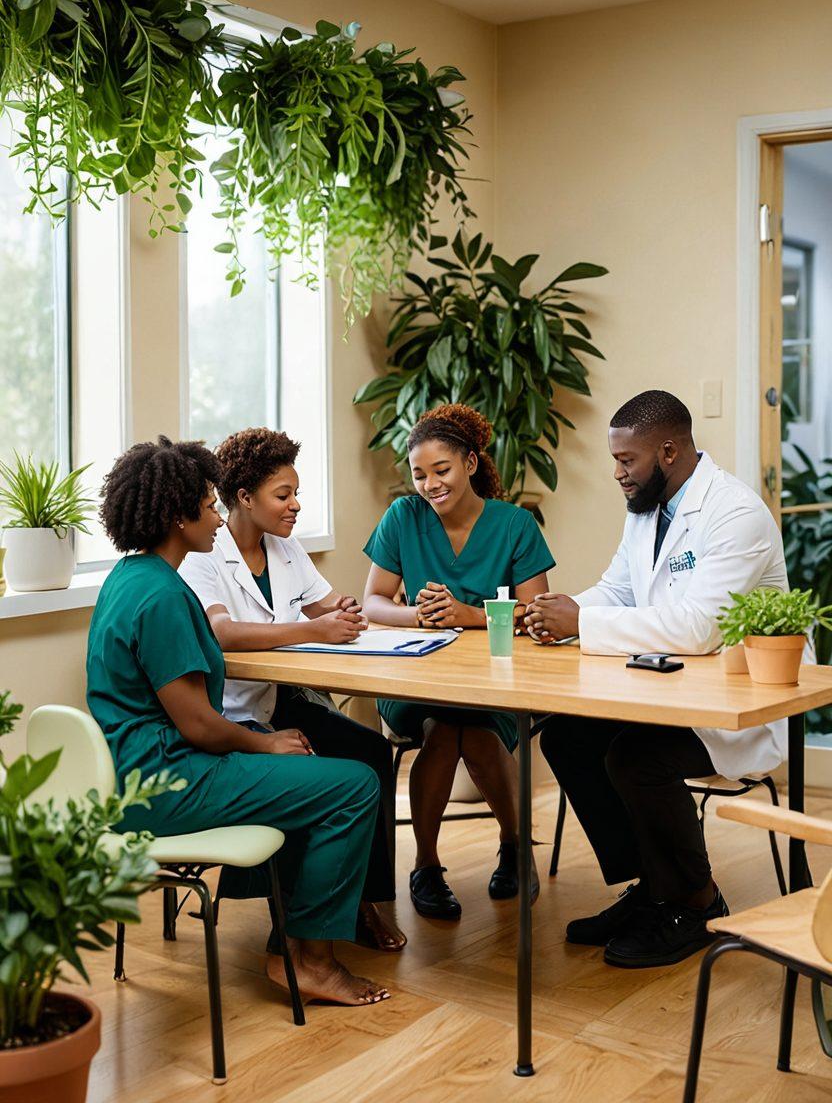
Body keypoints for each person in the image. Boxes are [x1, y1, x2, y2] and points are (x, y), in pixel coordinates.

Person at [87, 436, 390, 1006]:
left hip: (140, 773)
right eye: (207, 505)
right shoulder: (164, 598)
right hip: (169, 780)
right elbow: (199, 725)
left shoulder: (129, 579)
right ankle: (312, 961)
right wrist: (265, 744)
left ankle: (296, 942)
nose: (215, 517)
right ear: (178, 517)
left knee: (319, 772)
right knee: (354, 785)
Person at [525, 390, 787, 969]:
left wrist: (584, 622)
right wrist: (561, 613)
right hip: (666, 690)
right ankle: (652, 888)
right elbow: (619, 589)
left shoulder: (734, 513)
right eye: (616, 459)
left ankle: (695, 899)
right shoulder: (649, 508)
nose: (617, 473)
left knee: (637, 757)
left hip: (733, 702)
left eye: (627, 461)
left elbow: (700, 629)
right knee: (569, 736)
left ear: (668, 451)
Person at [179, 426, 405, 953]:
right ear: (243, 497)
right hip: (230, 711)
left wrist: (341, 610)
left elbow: (321, 604)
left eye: (296, 493)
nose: (296, 505)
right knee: (316, 772)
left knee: (370, 750)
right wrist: (312, 629)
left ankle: (361, 903)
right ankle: (298, 928)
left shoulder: (284, 545)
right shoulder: (202, 554)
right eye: (284, 495)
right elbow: (221, 633)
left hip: (277, 698)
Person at [363, 404, 554, 920]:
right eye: (420, 475)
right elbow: (374, 602)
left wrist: (467, 615)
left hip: (495, 680)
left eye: (441, 471)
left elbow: (537, 615)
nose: (429, 485)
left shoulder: (515, 525)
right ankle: (427, 864)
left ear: (470, 463)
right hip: (416, 676)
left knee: (473, 727)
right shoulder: (402, 518)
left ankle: (513, 845)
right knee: (444, 725)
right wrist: (416, 618)